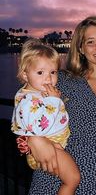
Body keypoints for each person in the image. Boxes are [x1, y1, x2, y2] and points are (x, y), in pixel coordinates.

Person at [18, 17, 96, 194]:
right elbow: (27, 102)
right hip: (58, 180)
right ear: (81, 48)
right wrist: (32, 140)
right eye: (91, 42)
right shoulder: (64, 81)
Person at [11, 38, 81, 195]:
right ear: (25, 74)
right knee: (73, 179)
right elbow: (38, 127)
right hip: (47, 146)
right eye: (40, 72)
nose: (48, 78)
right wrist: (54, 101)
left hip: (54, 144)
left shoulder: (36, 92)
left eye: (53, 72)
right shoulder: (28, 100)